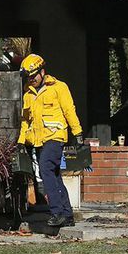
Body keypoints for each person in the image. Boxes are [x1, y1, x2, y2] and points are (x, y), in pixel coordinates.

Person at [17, 54, 83, 227]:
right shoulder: (28, 95)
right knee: (54, 175)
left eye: (33, 76)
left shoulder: (59, 88)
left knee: (46, 169)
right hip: (38, 141)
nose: (31, 80)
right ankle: (67, 215)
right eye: (28, 77)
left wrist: (78, 133)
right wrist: (21, 141)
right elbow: (26, 121)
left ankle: (56, 212)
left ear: (42, 71)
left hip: (55, 137)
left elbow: (69, 110)